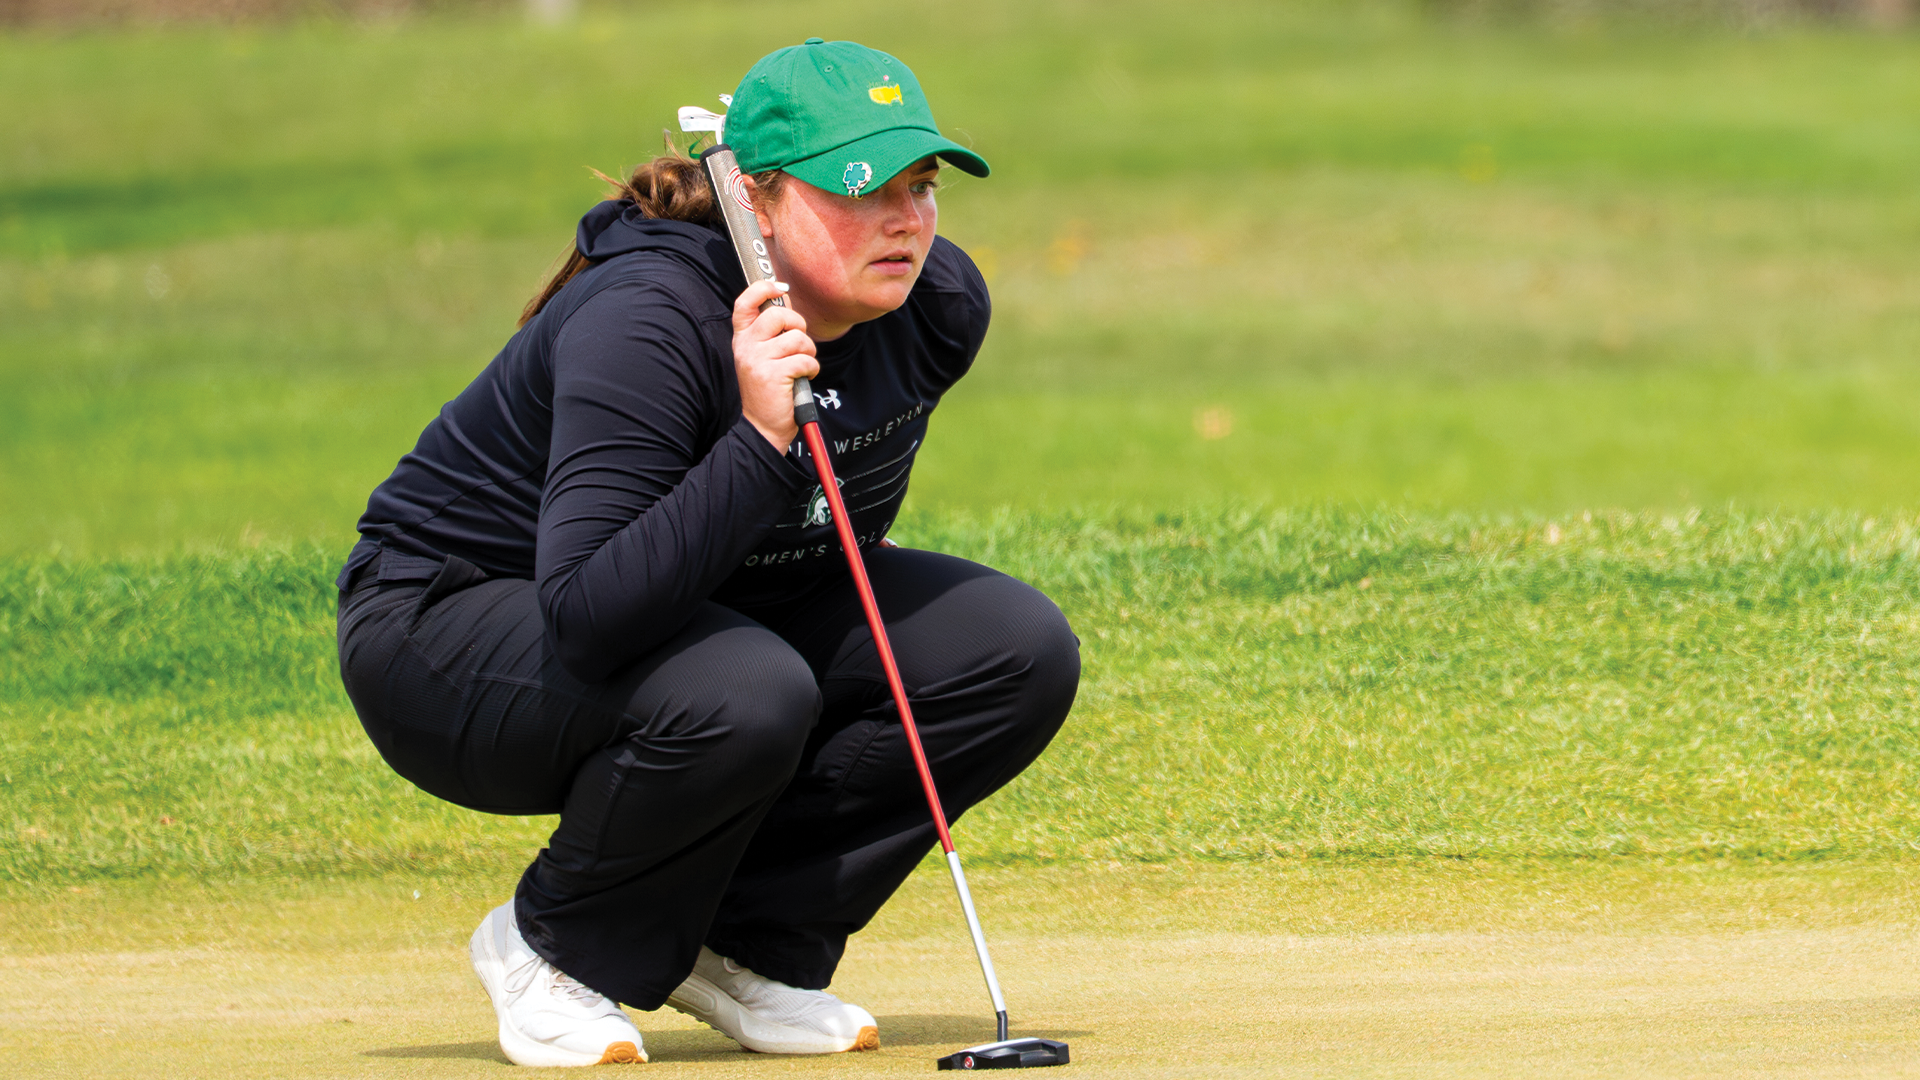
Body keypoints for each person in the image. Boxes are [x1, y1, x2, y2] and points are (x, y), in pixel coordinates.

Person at [334, 38, 1079, 1067]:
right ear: (757, 200)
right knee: (745, 687)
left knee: (1009, 649)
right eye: (863, 191)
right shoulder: (649, 318)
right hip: (446, 630)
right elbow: (590, 613)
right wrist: (762, 439)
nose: (907, 220)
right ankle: (551, 944)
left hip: (704, 595)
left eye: (923, 185)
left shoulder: (937, 305)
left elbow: (835, 523)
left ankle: (734, 944)